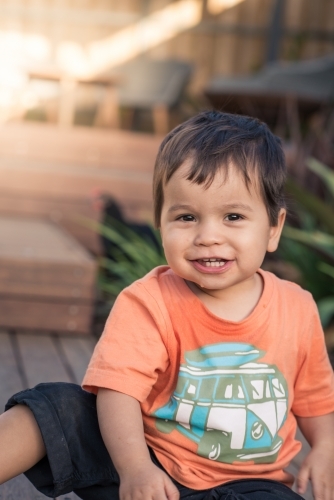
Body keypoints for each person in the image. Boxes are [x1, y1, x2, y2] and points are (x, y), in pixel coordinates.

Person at [0, 111, 334, 500]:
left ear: (273, 228)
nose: (208, 236)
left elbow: (315, 396)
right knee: (53, 409)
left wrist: (325, 447)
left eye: (233, 216)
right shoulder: (148, 301)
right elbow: (118, 391)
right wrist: (136, 468)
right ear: (161, 224)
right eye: (187, 217)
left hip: (250, 485)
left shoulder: (297, 309)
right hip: (149, 466)